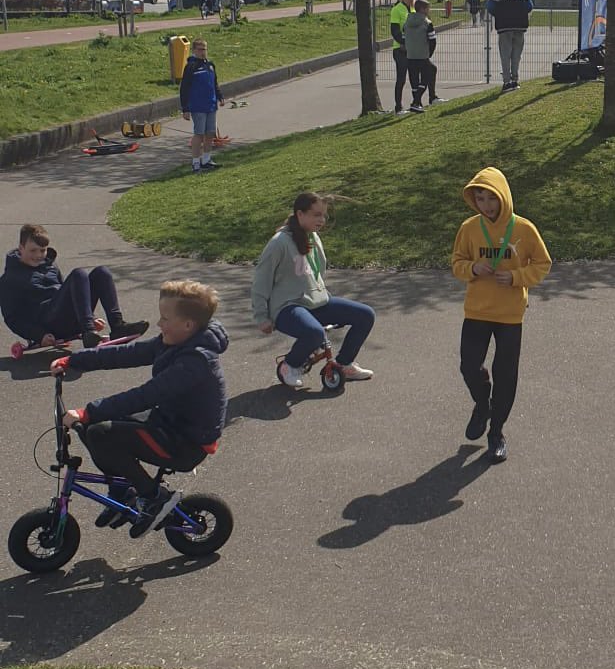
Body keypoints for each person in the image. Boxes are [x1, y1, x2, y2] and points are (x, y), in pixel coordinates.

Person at [50, 279, 228, 539]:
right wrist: (74, 360)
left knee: (101, 432)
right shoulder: (176, 341)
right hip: (169, 421)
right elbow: (126, 353)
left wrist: (89, 410)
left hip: (186, 442)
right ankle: (124, 492)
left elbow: (146, 395)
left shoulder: (195, 362)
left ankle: (153, 496)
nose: (159, 324)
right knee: (92, 427)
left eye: (165, 319)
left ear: (188, 325)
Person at [451, 167, 551, 463]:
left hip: (510, 314)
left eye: (491, 198)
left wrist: (517, 277)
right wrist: (472, 269)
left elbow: (542, 263)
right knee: (469, 367)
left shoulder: (523, 228)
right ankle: (483, 404)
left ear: (503, 195)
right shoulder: (469, 227)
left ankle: (496, 432)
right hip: (477, 310)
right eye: (480, 199)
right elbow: (457, 262)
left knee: (506, 375)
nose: (486, 205)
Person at [251, 192, 376, 388]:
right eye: (316, 214)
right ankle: (289, 365)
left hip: (315, 303)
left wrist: (320, 294)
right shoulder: (279, 242)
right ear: (300, 214)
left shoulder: (314, 238)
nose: (322, 219)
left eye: (324, 215)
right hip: (287, 307)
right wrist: (261, 316)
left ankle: (343, 364)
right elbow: (261, 279)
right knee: (314, 333)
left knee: (365, 315)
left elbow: (317, 272)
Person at [0, 223, 148, 349]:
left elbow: (74, 293)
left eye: (43, 250)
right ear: (21, 248)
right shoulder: (10, 279)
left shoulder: (49, 266)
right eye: (33, 250)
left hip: (68, 318)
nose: (39, 255)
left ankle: (117, 326)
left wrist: (91, 317)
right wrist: (38, 335)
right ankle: (88, 331)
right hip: (48, 324)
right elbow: (13, 318)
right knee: (79, 274)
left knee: (102, 272)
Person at [180, 38, 225, 173]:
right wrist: (185, 108)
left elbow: (214, 82)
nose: (203, 52)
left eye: (204, 49)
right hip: (198, 106)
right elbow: (184, 88)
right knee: (199, 134)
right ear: (194, 50)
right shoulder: (191, 67)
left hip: (210, 104)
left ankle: (206, 159)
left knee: (210, 133)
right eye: (200, 49)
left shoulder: (210, 65)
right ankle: (195, 162)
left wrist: (219, 96)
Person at [486, 0, 533, 92]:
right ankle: (515, 80)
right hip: (520, 26)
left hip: (504, 26)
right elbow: (529, 6)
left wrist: (500, 14)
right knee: (516, 55)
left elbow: (490, 7)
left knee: (505, 55)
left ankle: (506, 82)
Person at [403, 0, 448, 112]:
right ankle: (417, 102)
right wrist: (429, 53)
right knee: (428, 75)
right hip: (423, 55)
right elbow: (432, 40)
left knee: (414, 79)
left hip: (410, 55)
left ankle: (419, 101)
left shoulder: (407, 21)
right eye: (428, 8)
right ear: (423, 9)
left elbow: (404, 37)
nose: (429, 10)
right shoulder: (427, 22)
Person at [389, 0, 417, 115]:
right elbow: (395, 32)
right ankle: (398, 107)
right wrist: (405, 42)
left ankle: (416, 103)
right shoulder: (397, 9)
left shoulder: (412, 9)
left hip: (413, 49)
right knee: (401, 78)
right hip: (400, 50)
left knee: (415, 76)